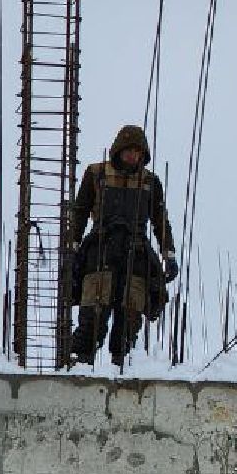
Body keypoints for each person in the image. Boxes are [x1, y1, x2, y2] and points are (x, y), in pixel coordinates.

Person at [64, 124, 177, 368]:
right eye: (128, 150)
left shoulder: (150, 182)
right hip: (101, 250)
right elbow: (80, 212)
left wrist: (169, 254)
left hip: (135, 253)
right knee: (93, 311)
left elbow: (160, 221)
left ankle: (121, 366)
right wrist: (71, 248)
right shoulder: (96, 174)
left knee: (130, 312)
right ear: (118, 150)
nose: (132, 156)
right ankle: (80, 364)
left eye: (137, 152)